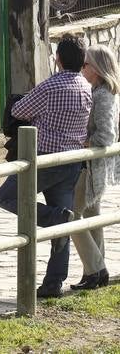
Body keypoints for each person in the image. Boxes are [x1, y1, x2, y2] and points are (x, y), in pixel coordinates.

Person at [0, 34, 92, 298]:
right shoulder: (85, 86)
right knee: (63, 223)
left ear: (58, 59)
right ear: (83, 61)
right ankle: (53, 282)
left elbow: (19, 111)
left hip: (44, 158)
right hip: (72, 161)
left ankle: (52, 218)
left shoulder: (51, 86)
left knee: (4, 196)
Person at [70, 45, 120, 290]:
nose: (82, 68)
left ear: (98, 69)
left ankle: (95, 268)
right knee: (91, 216)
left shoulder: (102, 95)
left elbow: (107, 135)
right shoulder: (99, 91)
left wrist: (85, 141)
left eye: (86, 64)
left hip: (91, 167)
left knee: (72, 216)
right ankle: (96, 272)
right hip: (93, 166)